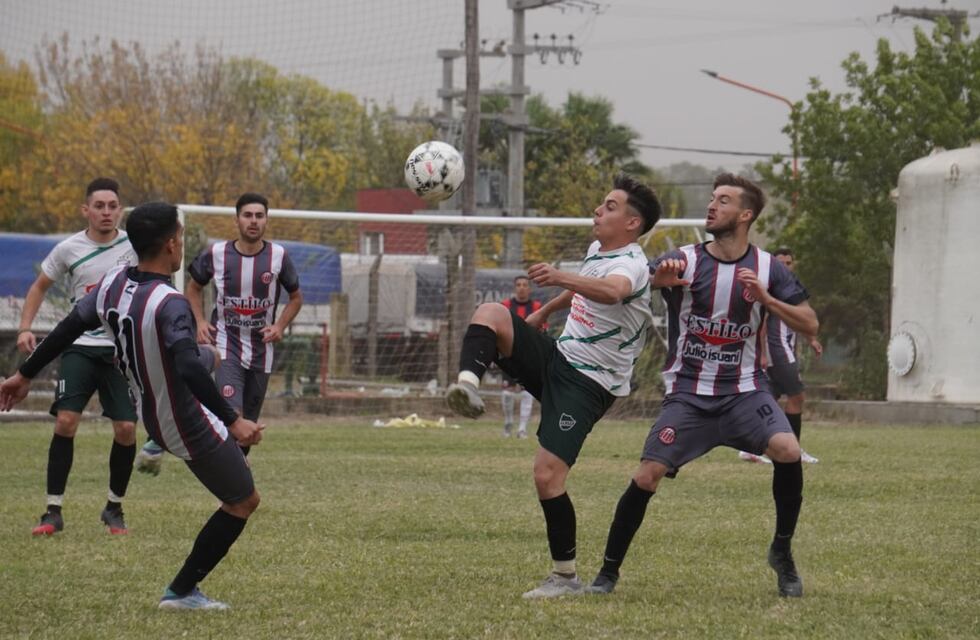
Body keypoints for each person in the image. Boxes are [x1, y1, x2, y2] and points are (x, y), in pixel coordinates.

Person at [1, 202, 264, 610]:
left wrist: (23, 374)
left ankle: (159, 446)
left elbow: (69, 327)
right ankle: (180, 593)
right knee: (243, 500)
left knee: (205, 355)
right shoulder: (170, 303)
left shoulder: (111, 283)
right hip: (184, 420)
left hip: (152, 411)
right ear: (173, 244)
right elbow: (188, 370)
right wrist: (234, 421)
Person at [586, 174, 819, 599]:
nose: (712, 206)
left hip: (745, 392)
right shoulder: (683, 259)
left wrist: (767, 301)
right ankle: (606, 574)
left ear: (745, 215)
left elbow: (810, 322)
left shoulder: (767, 268)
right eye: (712, 199)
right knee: (647, 474)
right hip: (689, 395)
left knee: (788, 450)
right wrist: (658, 282)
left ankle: (782, 553)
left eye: (724, 201)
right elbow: (629, 285)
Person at [445, 173, 662, 599]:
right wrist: (545, 311)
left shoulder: (631, 265)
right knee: (491, 311)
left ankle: (564, 578)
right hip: (559, 357)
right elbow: (585, 286)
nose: (599, 211)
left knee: (547, 476)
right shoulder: (599, 249)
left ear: (633, 224)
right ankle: (468, 385)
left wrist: (560, 278)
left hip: (589, 384)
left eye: (610, 206)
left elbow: (610, 291)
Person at [136, 192, 302, 473]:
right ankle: (216, 465)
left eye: (259, 216)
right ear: (237, 219)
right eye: (247, 215)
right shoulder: (216, 253)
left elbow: (296, 297)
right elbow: (193, 287)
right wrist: (200, 322)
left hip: (262, 350)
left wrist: (279, 326)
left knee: (249, 423)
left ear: (266, 220)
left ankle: (233, 463)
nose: (253, 221)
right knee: (232, 414)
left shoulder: (278, 257)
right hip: (227, 344)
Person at [16, 177, 139, 536]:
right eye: (98, 206)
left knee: (127, 429)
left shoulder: (134, 247)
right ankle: (52, 512)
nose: (106, 212)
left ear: (120, 210)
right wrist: (26, 326)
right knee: (66, 422)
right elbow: (39, 286)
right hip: (79, 346)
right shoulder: (69, 248)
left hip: (119, 353)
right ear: (86, 210)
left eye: (112, 206)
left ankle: (114, 509)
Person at [739, 247, 822, 465]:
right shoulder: (770, 289)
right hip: (778, 350)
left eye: (788, 263)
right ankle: (795, 450)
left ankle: (751, 448)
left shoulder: (790, 289)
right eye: (781, 263)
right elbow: (763, 323)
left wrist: (811, 339)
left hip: (785, 348)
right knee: (796, 397)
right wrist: (763, 354)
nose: (785, 267)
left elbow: (799, 319)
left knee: (769, 399)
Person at [500, 275, 543, 439]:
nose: (522, 287)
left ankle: (522, 428)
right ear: (514, 287)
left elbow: (543, 328)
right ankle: (508, 423)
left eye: (525, 285)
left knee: (528, 391)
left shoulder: (537, 307)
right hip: (509, 354)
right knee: (507, 392)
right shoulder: (506, 306)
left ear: (529, 288)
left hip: (529, 356)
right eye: (518, 284)